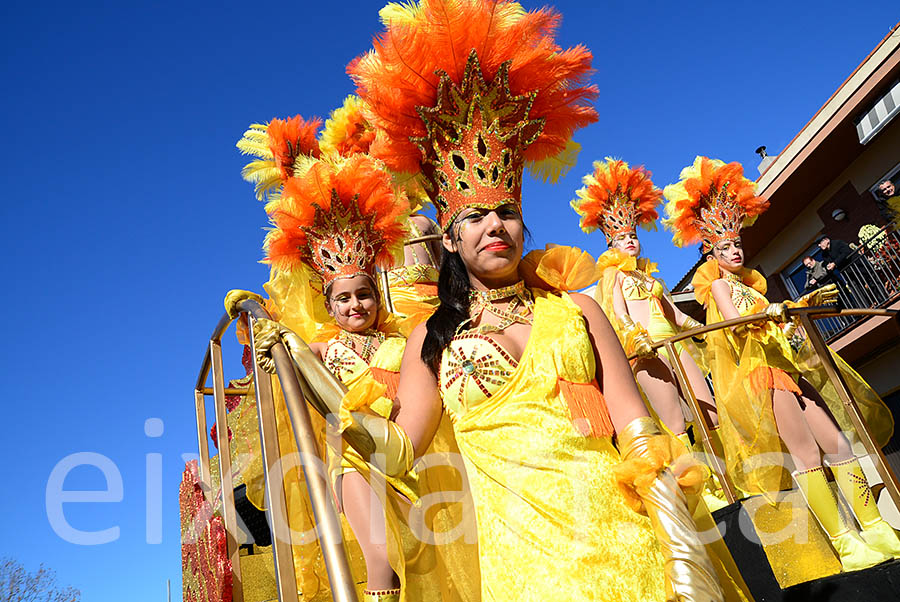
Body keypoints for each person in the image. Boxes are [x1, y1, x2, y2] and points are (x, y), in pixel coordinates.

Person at [341, 2, 752, 600]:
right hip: (527, 568)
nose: (495, 227)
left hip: (629, 544)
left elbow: (634, 421)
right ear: (451, 236)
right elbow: (399, 450)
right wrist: (330, 401)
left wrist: (682, 546)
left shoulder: (580, 310)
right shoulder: (429, 341)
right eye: (476, 217)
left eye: (506, 212)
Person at [664, 156, 899, 572]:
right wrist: (774, 312)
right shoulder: (718, 284)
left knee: (839, 445)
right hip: (763, 376)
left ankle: (876, 526)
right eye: (725, 247)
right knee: (806, 454)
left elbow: (773, 320)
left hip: (788, 368)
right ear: (711, 251)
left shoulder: (750, 283)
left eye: (737, 244)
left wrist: (794, 307)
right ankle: (845, 542)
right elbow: (736, 327)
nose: (734, 251)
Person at [570, 158, 727, 510]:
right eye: (623, 238)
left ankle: (720, 476)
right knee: (672, 420)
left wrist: (705, 329)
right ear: (611, 241)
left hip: (674, 345)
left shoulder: (652, 279)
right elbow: (619, 316)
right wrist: (635, 339)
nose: (631, 243)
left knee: (708, 410)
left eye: (634, 236)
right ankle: (696, 488)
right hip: (648, 349)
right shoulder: (614, 277)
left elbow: (676, 317)